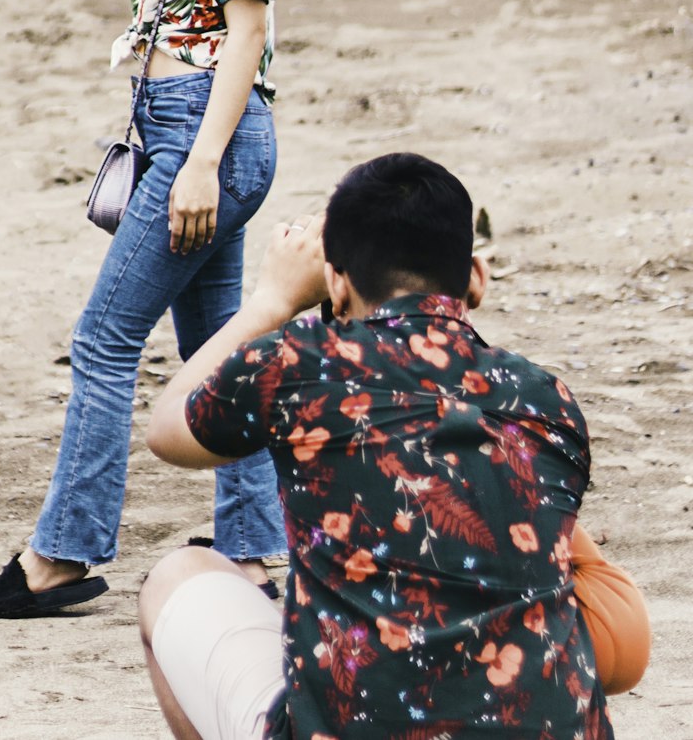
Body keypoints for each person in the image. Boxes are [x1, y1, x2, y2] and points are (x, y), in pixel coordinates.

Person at [140, 152, 651, 739]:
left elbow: (168, 430)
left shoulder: (301, 365)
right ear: (477, 279)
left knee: (177, 577)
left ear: (335, 282)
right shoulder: (546, 402)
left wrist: (270, 304)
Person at [0, 0, 287, 618]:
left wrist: (199, 165)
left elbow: (246, 35)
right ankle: (258, 548)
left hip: (208, 135)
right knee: (217, 347)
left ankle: (61, 557)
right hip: (183, 129)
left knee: (104, 341)